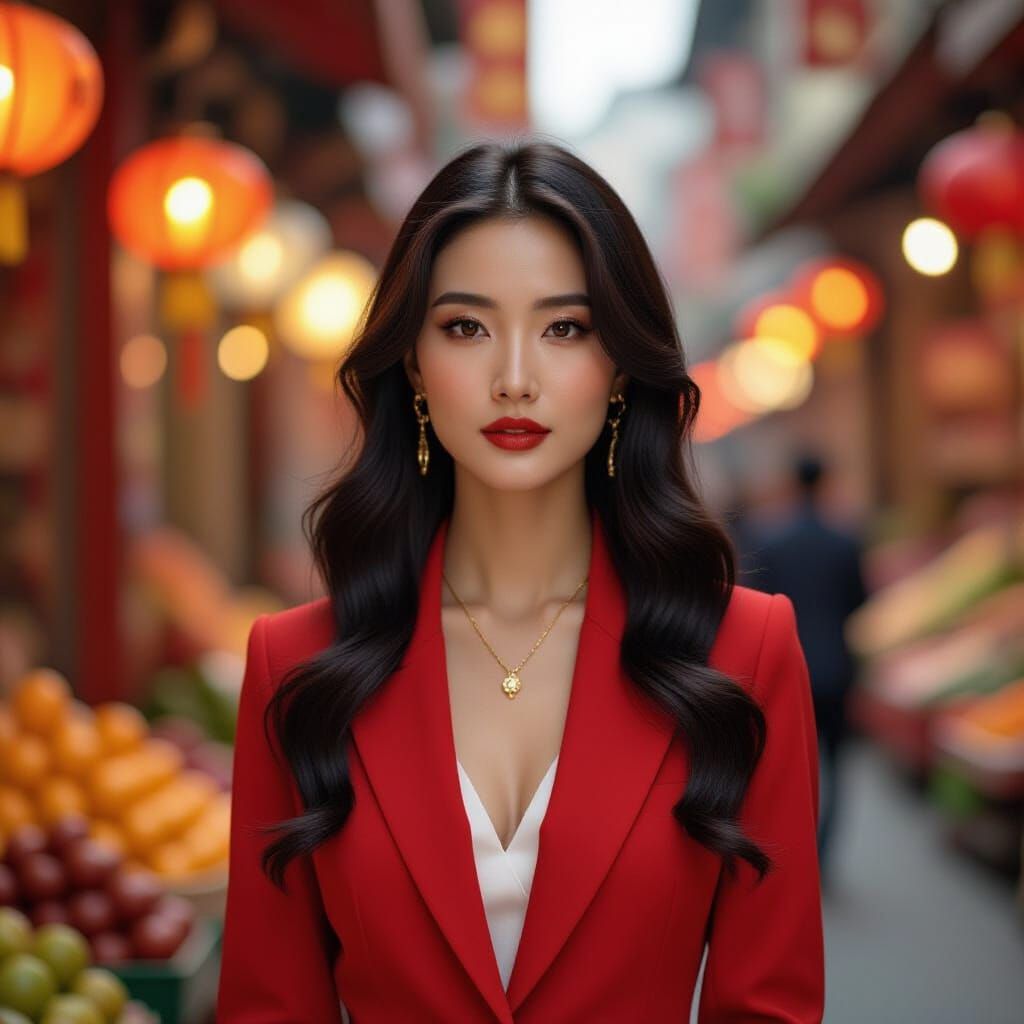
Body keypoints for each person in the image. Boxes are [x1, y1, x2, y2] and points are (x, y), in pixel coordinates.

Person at [216, 139, 824, 1023]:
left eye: (564, 328)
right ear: (414, 366)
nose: (513, 378)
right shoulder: (297, 663)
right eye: (465, 327)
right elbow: (268, 1008)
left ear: (619, 366)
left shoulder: (743, 652)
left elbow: (767, 1008)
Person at [748, 452, 869, 879]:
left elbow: (754, 605)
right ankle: (823, 852)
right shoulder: (846, 540)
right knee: (836, 765)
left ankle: (790, 848)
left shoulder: (770, 539)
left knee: (785, 765)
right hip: (836, 666)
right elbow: (860, 601)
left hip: (785, 666)